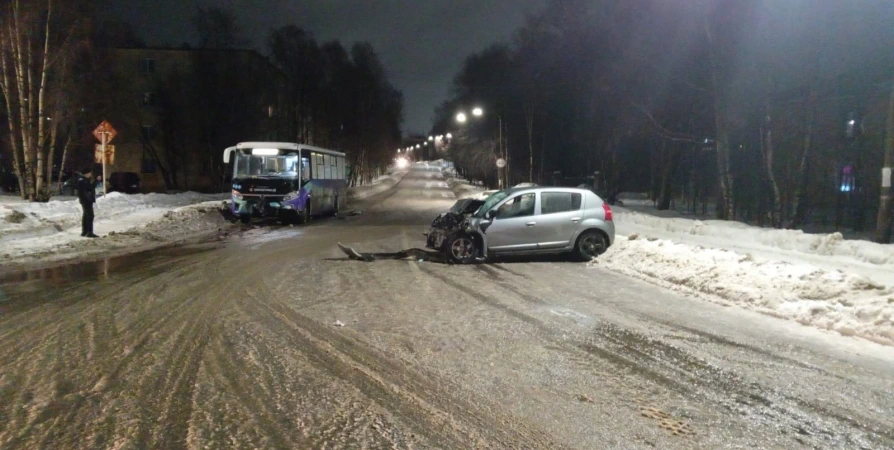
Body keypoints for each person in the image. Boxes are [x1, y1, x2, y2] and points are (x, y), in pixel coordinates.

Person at [76, 168, 99, 238]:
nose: (90, 174)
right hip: (87, 200)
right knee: (90, 216)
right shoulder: (83, 180)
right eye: (89, 173)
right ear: (86, 173)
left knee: (86, 215)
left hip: (85, 200)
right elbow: (90, 187)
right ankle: (89, 232)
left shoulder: (82, 180)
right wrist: (97, 180)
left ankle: (84, 231)